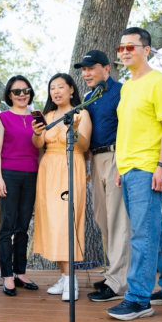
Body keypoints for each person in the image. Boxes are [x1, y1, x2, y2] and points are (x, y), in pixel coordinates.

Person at [107, 27, 162, 321]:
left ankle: (139, 298)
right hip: (129, 169)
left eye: (131, 46)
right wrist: (120, 166)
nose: (125, 52)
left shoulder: (159, 82)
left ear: (147, 50)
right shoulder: (127, 87)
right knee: (155, 230)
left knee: (142, 235)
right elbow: (127, 130)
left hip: (147, 169)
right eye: (121, 48)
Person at [74, 50, 131, 303]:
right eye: (84, 70)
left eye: (91, 68)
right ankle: (113, 274)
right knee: (103, 219)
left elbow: (128, 129)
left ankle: (118, 282)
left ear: (107, 69)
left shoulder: (122, 91)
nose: (86, 73)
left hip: (116, 157)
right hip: (95, 160)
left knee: (118, 221)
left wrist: (121, 164)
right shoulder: (89, 97)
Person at [31, 73, 92, 302]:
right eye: (52, 88)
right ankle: (65, 277)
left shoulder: (81, 113)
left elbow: (85, 145)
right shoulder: (47, 116)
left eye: (60, 87)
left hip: (70, 167)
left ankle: (71, 280)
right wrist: (37, 132)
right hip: (48, 169)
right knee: (51, 224)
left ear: (71, 89)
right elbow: (39, 144)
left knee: (65, 224)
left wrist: (74, 131)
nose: (56, 92)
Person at [0, 75, 40, 296]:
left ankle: (20, 272)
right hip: (9, 175)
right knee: (7, 226)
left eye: (26, 90)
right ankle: (7, 275)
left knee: (23, 226)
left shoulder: (37, 117)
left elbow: (40, 149)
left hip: (32, 175)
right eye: (17, 91)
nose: (22, 95)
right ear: (9, 95)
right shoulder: (3, 117)